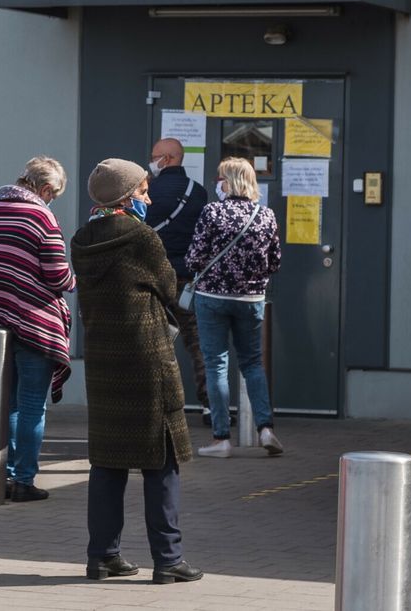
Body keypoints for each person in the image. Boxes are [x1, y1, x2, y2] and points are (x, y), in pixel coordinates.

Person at [70, 158, 202, 585]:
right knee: (159, 461)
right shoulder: (142, 237)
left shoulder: (83, 238)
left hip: (104, 361)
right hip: (146, 359)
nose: (148, 198)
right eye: (143, 191)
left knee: (107, 462)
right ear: (127, 196)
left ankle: (102, 556)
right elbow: (168, 286)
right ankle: (169, 558)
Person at [0, 155, 75, 502]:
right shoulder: (40, 215)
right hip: (34, 321)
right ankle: (23, 479)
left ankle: (2, 476)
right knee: (32, 404)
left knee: (9, 404)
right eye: (54, 195)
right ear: (45, 188)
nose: (52, 201)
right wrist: (76, 280)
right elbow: (58, 275)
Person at [186, 157, 283, 458]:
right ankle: (265, 428)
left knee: (216, 364)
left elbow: (193, 258)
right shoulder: (265, 215)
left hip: (213, 298)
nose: (217, 183)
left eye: (220, 178)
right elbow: (275, 262)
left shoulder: (212, 212)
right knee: (252, 364)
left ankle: (221, 439)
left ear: (227, 181)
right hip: (251, 300)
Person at [146, 137, 210, 417]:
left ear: (167, 159)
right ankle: (211, 406)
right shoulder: (198, 192)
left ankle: (159, 403)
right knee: (197, 341)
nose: (150, 160)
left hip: (154, 277)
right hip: (186, 279)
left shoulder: (147, 190)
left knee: (154, 339)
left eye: (154, 156)